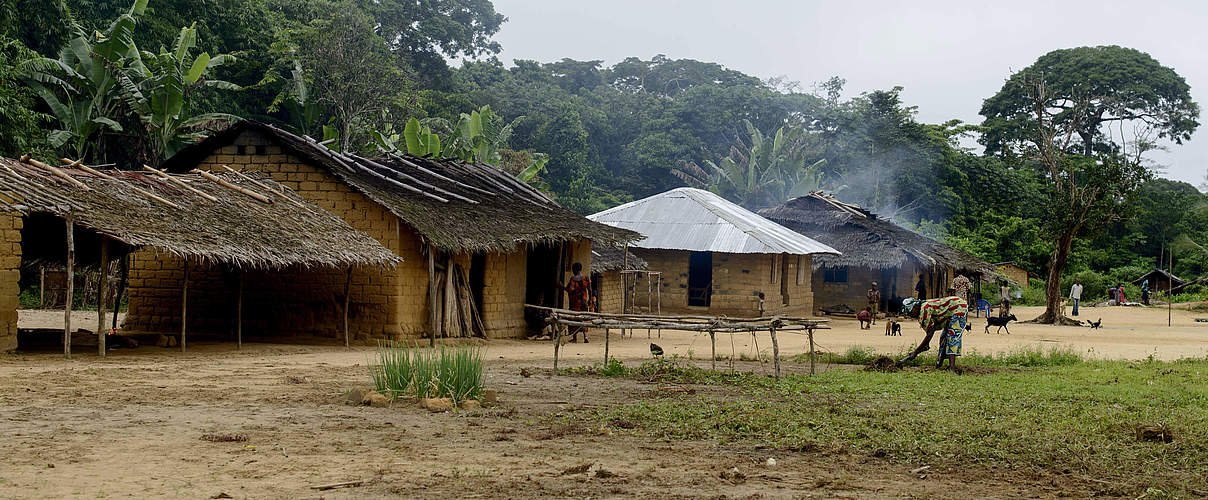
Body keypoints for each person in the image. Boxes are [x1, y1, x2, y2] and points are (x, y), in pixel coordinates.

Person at [897, 295, 968, 370]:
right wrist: (922, 347)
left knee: (952, 337)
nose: (910, 315)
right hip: (952, 312)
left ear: (915, 306)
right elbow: (930, 332)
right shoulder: (922, 311)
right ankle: (939, 366)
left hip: (958, 307)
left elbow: (930, 333)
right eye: (908, 314)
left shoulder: (924, 310)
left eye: (910, 312)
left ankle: (952, 368)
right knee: (943, 338)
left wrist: (916, 351)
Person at [556, 262, 593, 343]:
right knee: (583, 319)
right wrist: (590, 300)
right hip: (584, 302)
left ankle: (575, 338)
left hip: (575, 303)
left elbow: (570, 290)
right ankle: (585, 337)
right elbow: (590, 290)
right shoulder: (586, 278)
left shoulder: (573, 279)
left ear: (574, 270)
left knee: (574, 319)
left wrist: (561, 286)